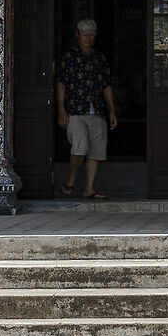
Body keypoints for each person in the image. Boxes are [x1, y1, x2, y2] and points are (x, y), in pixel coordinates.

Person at [56, 18, 117, 200]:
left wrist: (111, 110)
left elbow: (106, 85)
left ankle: (89, 188)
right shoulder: (70, 57)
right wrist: (61, 109)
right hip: (75, 109)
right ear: (78, 35)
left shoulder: (99, 58)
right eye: (85, 35)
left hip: (96, 109)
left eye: (91, 36)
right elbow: (61, 83)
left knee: (96, 150)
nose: (88, 39)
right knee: (80, 147)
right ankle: (71, 179)